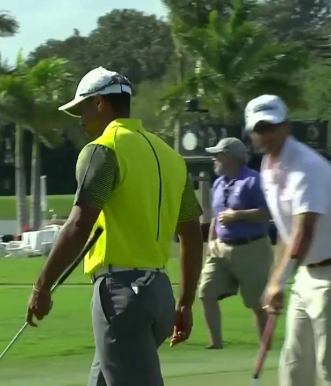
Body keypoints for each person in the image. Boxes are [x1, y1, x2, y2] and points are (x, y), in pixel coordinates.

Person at [25, 66, 204, 386]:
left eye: (82, 109)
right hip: (160, 295)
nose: (80, 120)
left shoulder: (103, 150)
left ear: (99, 104)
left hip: (122, 296)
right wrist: (185, 302)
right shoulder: (171, 157)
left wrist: (42, 285)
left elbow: (79, 224)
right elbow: (191, 234)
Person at [247, 94, 331, 386]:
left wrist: (281, 281)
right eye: (260, 128)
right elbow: (286, 230)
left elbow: (306, 228)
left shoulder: (304, 166)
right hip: (309, 275)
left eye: (272, 126)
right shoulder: (269, 168)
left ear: (286, 127)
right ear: (251, 133)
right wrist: (273, 281)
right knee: (294, 366)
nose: (266, 134)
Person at [198, 137, 272, 349]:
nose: (214, 158)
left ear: (232, 157)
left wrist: (238, 215)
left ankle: (265, 349)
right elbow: (216, 216)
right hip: (220, 248)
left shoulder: (254, 180)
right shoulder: (218, 183)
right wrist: (211, 241)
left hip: (252, 248)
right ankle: (216, 345)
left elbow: (266, 213)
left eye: (218, 154)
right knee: (206, 292)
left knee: (257, 303)